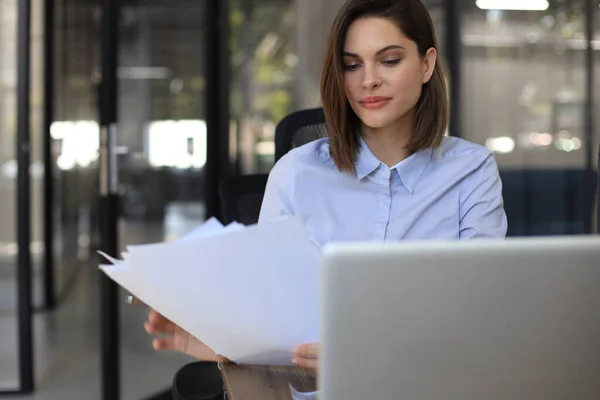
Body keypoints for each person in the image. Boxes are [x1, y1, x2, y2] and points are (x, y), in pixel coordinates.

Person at [144, 0, 507, 375]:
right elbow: (269, 310)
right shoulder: (296, 173)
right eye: (352, 65)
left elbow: (479, 316)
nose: (368, 80)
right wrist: (229, 342)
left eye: (389, 60)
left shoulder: (472, 171)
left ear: (427, 64)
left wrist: (360, 354)